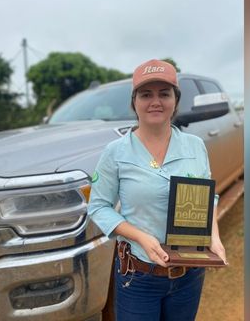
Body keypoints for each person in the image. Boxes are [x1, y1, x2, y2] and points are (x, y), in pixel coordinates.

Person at [88, 59, 227, 321]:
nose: (155, 101)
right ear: (134, 102)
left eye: (164, 93)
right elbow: (98, 206)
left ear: (175, 99)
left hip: (189, 273)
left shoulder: (195, 146)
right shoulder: (116, 152)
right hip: (139, 275)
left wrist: (214, 237)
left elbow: (208, 198)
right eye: (146, 94)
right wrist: (140, 236)